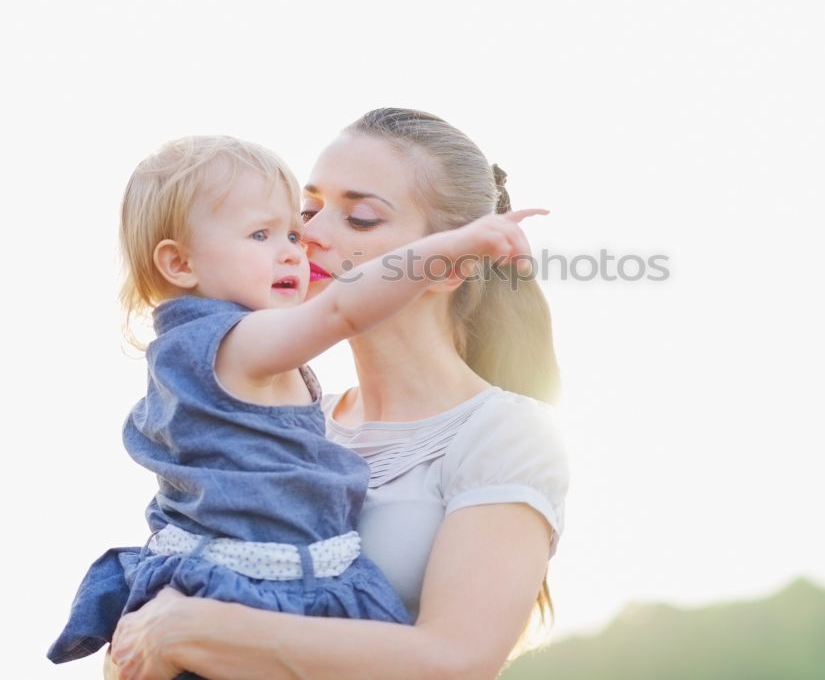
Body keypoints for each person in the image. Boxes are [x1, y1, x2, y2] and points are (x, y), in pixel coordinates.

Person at [47, 134, 543, 676]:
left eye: (359, 218)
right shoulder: (262, 389)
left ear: (452, 265)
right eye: (305, 214)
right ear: (178, 262)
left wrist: (188, 631)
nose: (306, 239)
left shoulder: (504, 434)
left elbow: (455, 663)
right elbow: (138, 653)